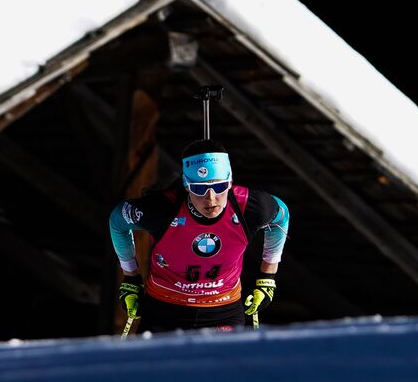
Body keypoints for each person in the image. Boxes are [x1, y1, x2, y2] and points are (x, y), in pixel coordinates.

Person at [108, 139, 289, 333]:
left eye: (219, 186)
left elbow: (281, 216)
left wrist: (267, 276)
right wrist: (131, 277)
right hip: (164, 310)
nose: (210, 198)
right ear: (186, 185)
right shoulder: (163, 210)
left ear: (230, 182)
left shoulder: (250, 207)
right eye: (199, 188)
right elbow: (118, 220)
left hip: (223, 310)